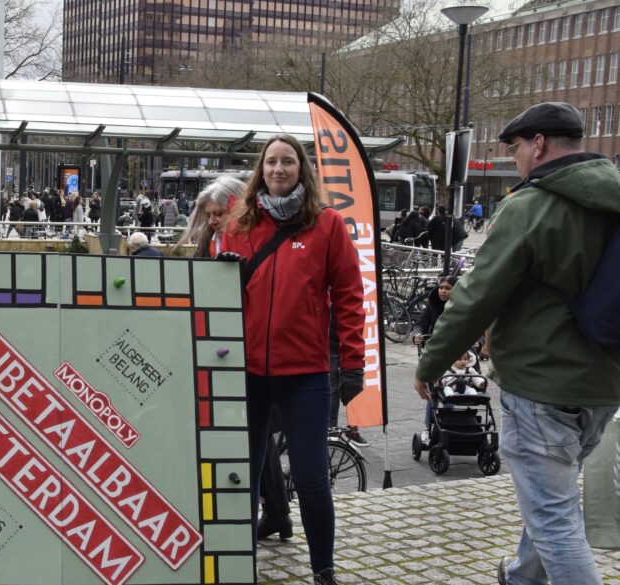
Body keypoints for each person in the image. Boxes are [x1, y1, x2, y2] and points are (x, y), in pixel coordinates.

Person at [413, 102, 620, 585]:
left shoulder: (529, 206)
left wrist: (431, 364)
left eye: (517, 146)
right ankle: (524, 576)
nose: (518, 156)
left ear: (540, 143)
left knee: (553, 517)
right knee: (553, 493)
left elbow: (476, 298)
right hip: (605, 386)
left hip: (542, 384)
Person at [220, 134, 365, 585]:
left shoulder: (326, 224)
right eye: (270, 163)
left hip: (305, 374)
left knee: (310, 477)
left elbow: (349, 296)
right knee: (238, 472)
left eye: (287, 162)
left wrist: (354, 364)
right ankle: (235, 561)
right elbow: (215, 290)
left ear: (302, 168)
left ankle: (323, 570)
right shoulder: (239, 223)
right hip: (246, 372)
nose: (278, 169)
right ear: (259, 171)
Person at [411, 276, 458, 441]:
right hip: (435, 355)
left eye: (447, 288)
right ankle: (428, 427)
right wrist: (417, 334)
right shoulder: (432, 305)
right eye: (441, 287)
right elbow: (420, 325)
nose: (443, 291)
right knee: (433, 393)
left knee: (450, 391)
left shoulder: (461, 307)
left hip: (456, 356)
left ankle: (449, 423)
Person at [175, 174, 242, 258]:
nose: (211, 222)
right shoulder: (205, 245)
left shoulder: (257, 244)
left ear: (240, 210)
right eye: (208, 215)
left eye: (219, 214)